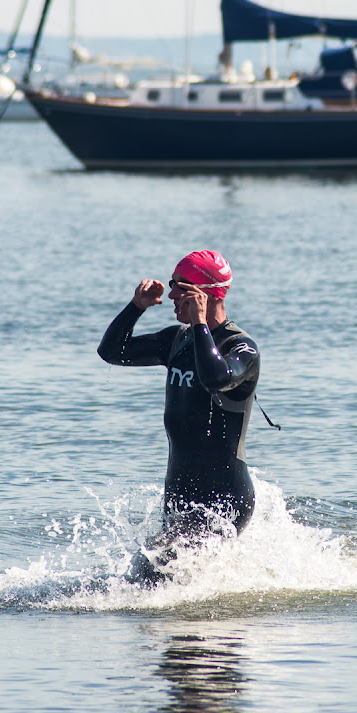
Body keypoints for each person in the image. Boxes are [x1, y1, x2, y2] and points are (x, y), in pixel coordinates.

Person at [97, 250, 260, 585]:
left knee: (152, 578)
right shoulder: (176, 340)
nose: (170, 295)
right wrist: (136, 308)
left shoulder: (241, 348)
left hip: (223, 497)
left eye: (180, 287)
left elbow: (216, 377)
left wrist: (201, 322)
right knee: (158, 582)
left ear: (206, 294)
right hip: (181, 494)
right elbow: (112, 352)